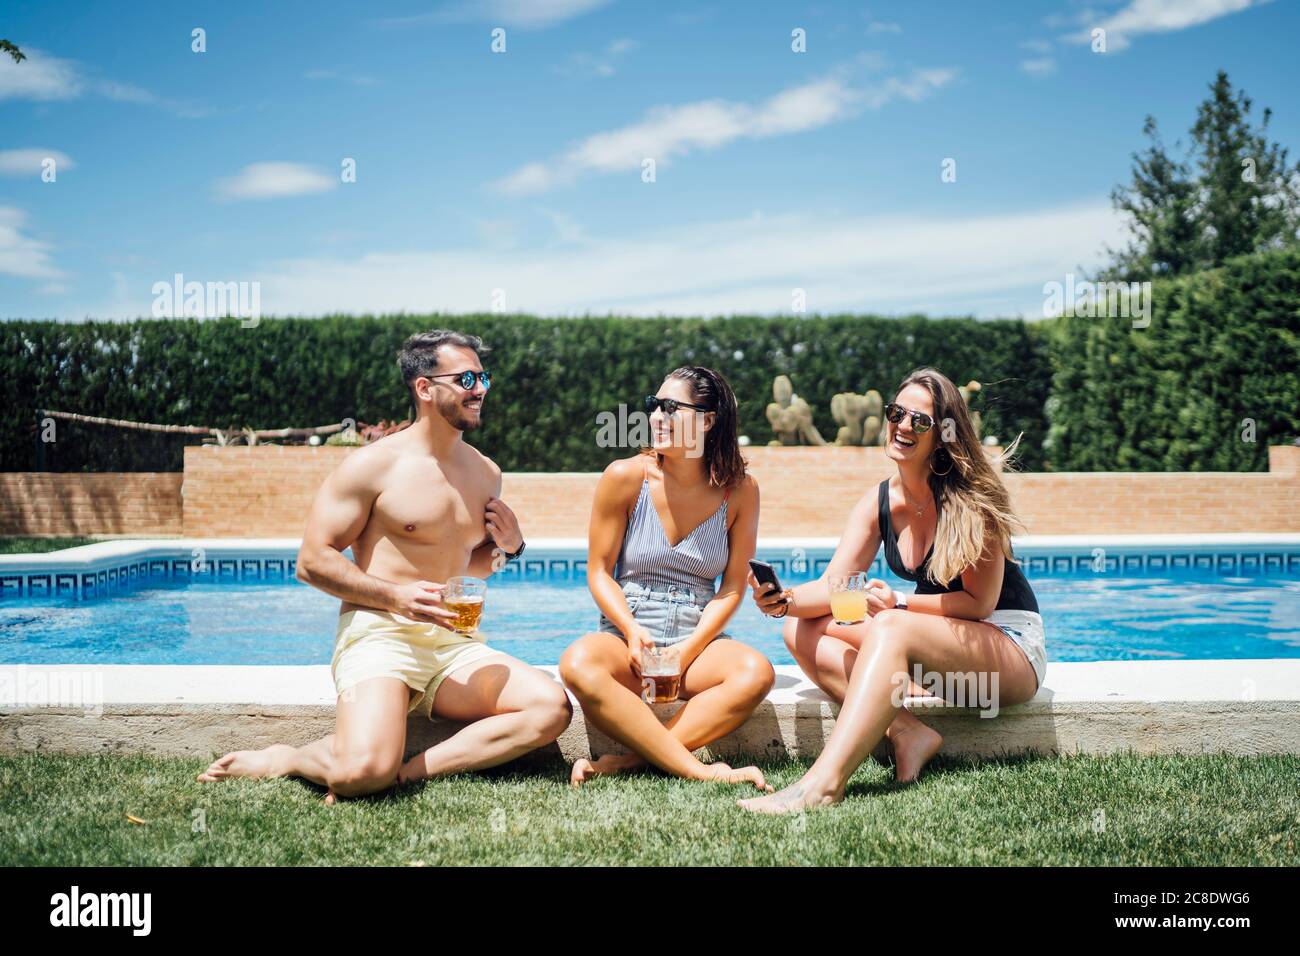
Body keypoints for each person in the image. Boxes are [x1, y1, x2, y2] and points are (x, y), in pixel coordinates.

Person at [198, 330, 571, 801]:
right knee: (359, 776)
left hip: (453, 645)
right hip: (380, 636)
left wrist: (512, 547)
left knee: (550, 708)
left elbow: (472, 566)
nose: (481, 390)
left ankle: (411, 772)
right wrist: (396, 596)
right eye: (468, 378)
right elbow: (312, 561)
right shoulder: (371, 466)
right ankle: (288, 757)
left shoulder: (486, 472)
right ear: (425, 387)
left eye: (484, 378)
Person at [738, 366, 1046, 813]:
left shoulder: (972, 498)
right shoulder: (878, 502)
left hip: (1008, 647)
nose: (903, 425)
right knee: (801, 632)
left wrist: (898, 603)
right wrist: (783, 602)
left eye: (919, 421)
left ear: (942, 435)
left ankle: (821, 787)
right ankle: (907, 731)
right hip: (947, 652)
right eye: (896, 412)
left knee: (891, 627)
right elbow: (834, 587)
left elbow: (979, 605)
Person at [560, 367, 776, 790]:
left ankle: (630, 762)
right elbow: (599, 572)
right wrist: (630, 629)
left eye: (671, 408)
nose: (656, 416)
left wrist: (686, 651)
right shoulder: (624, 476)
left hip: (696, 636)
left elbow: (732, 587)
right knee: (578, 663)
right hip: (629, 636)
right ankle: (696, 769)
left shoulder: (741, 491)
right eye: (654, 406)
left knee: (756, 672)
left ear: (708, 420)